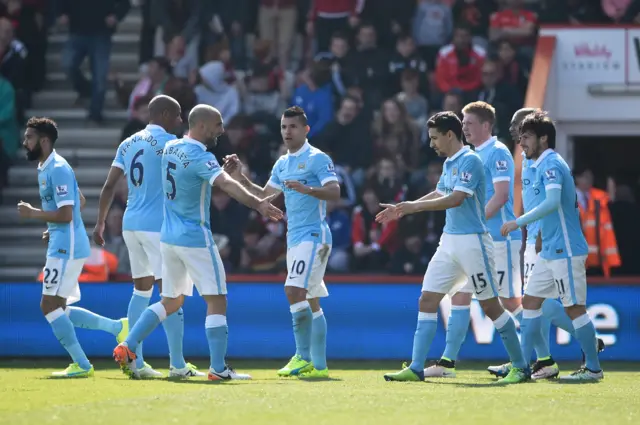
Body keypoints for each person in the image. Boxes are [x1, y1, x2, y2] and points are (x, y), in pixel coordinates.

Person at [112, 105, 283, 381]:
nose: (221, 130)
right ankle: (217, 369)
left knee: (171, 300)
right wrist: (259, 204)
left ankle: (128, 345)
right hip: (195, 238)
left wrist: (220, 170)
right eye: (217, 124)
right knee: (216, 299)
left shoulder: (171, 149)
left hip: (168, 238)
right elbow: (225, 185)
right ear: (202, 126)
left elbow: (204, 175)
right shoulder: (201, 156)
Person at [378, 112, 529, 384]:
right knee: (427, 298)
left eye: (435, 138)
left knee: (491, 305)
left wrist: (414, 207)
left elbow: (456, 199)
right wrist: (404, 209)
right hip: (449, 242)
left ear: (450, 135)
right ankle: (416, 367)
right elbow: (440, 193)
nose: (432, 144)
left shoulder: (471, 160)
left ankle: (520, 366)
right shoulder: (450, 163)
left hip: (474, 243)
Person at [224, 106, 340, 379]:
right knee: (310, 299)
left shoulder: (317, 158)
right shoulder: (282, 163)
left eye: (293, 127)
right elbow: (265, 195)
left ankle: (301, 356)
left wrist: (308, 189)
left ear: (306, 130)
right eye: (284, 127)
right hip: (295, 236)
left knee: (292, 289)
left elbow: (335, 191)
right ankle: (319, 366)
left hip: (314, 234)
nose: (288, 132)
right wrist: (240, 177)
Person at [94, 95, 203, 379]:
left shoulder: (127, 143)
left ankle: (136, 363)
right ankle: (177, 365)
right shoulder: (170, 144)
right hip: (158, 227)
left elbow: (108, 187)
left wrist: (101, 222)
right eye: (178, 116)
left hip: (130, 223)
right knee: (173, 294)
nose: (181, 122)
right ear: (165, 114)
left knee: (141, 290)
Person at [18, 117, 127, 378]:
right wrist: (53, 227)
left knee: (49, 306)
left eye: (29, 138)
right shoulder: (47, 166)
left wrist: (34, 214)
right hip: (63, 241)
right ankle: (116, 327)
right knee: (60, 307)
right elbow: (79, 200)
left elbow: (67, 213)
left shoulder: (57, 167)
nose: (25, 142)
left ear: (44, 141)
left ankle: (82, 364)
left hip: (66, 247)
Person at [424, 102, 526, 378]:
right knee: (459, 297)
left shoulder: (498, 152)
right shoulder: (463, 157)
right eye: (463, 123)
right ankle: (447, 362)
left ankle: (537, 357)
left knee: (508, 303)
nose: (464, 128)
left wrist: (475, 221)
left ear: (485, 126)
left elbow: (502, 195)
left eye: (469, 123)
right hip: (473, 240)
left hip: (498, 239)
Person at [501, 111, 604, 381]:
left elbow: (551, 202)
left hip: (566, 250)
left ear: (543, 138)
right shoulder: (538, 163)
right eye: (520, 137)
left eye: (526, 137)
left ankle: (593, 368)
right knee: (531, 301)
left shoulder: (551, 165)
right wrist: (539, 235)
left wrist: (518, 222)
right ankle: (524, 366)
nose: (521, 142)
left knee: (574, 308)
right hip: (550, 249)